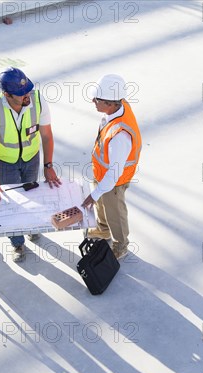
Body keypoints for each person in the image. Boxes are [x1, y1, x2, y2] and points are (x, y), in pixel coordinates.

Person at [0, 67, 61, 262]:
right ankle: (17, 243)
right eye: (20, 93)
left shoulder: (38, 100)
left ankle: (32, 228)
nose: (26, 95)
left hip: (31, 158)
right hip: (4, 162)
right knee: (12, 203)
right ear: (6, 94)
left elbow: (46, 134)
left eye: (27, 89)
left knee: (32, 195)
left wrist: (48, 165)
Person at [81, 74, 142, 260]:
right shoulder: (118, 104)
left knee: (115, 211)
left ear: (110, 104)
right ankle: (103, 230)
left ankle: (120, 244)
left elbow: (114, 174)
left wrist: (94, 193)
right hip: (102, 174)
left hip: (114, 181)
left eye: (97, 99)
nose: (93, 101)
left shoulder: (120, 136)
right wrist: (97, 192)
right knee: (102, 204)